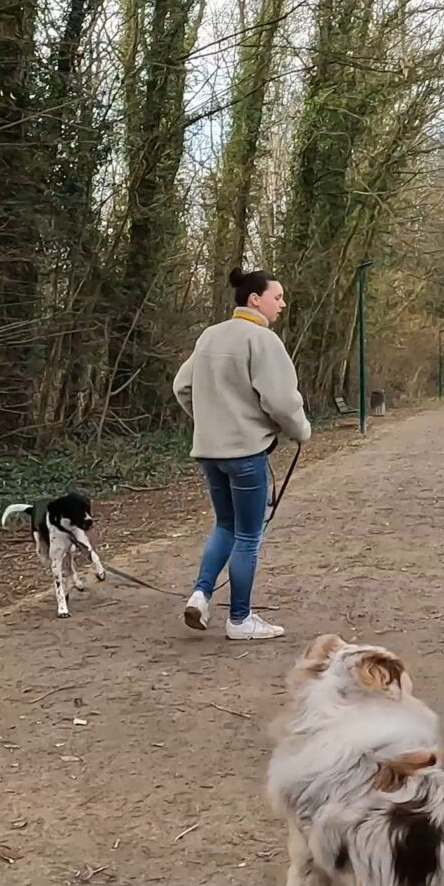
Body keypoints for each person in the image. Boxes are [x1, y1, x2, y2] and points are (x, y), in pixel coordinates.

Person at [174, 267, 314, 640]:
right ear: (255, 299)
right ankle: (239, 619)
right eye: (277, 296)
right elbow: (282, 400)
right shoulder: (263, 341)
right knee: (249, 536)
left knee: (225, 525)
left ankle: (201, 595)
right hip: (246, 454)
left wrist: (210, 422)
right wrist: (300, 431)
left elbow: (182, 386)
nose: (282, 304)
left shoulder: (209, 336)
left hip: (209, 451)